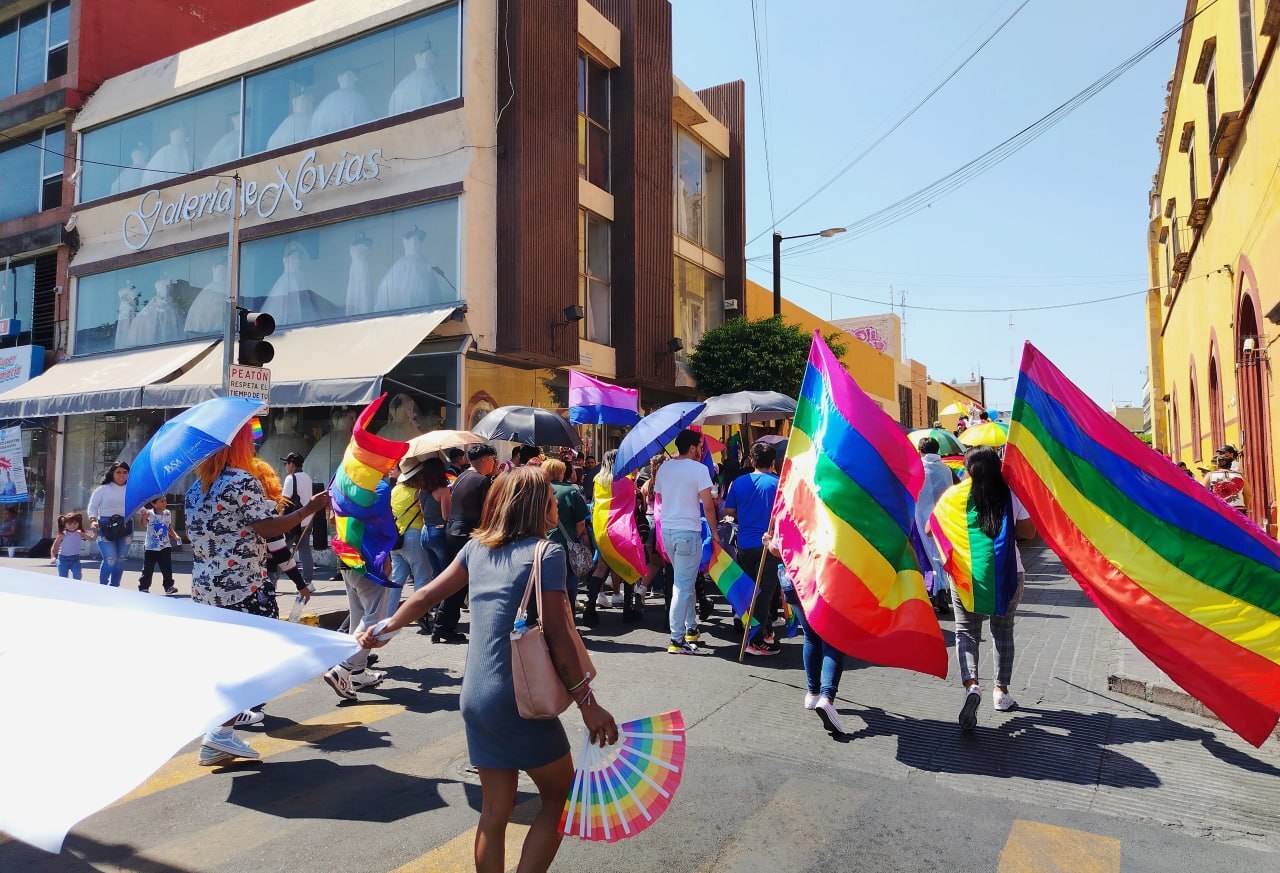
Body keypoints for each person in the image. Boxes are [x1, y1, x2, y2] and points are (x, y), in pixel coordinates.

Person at [358, 467, 617, 873]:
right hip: (518, 697)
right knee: (563, 795)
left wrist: (384, 628)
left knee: (495, 811)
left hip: (476, 697)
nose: (555, 504)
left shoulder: (476, 549)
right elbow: (558, 637)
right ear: (539, 506)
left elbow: (426, 593)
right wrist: (589, 704)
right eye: (550, 497)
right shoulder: (545, 553)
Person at [186, 422, 329, 764]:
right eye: (248, 442)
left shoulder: (196, 489)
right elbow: (269, 528)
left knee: (227, 660)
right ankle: (220, 732)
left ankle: (220, 731)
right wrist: (309, 509)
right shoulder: (240, 481)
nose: (253, 448)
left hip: (205, 587)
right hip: (241, 587)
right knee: (257, 659)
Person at [930, 445, 1036, 732]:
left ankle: (972, 685)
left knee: (966, 632)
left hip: (966, 579)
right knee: (1003, 631)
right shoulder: (1010, 493)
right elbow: (1029, 532)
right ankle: (1001, 692)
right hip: (1008, 574)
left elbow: (931, 528)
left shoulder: (954, 496)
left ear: (968, 467)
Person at [654, 429, 718, 654]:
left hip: (669, 531)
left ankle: (690, 628)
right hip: (688, 531)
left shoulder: (664, 468)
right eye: (700, 446)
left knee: (685, 581)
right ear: (692, 447)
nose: (702, 450)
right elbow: (708, 506)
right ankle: (677, 638)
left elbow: (660, 497)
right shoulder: (699, 469)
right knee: (682, 585)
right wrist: (715, 533)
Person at [434, 443, 498, 643]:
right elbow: (489, 511)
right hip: (468, 533)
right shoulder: (481, 480)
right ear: (486, 460)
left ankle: (442, 625)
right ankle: (445, 626)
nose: (494, 464)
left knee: (458, 581)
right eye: (493, 460)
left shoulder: (462, 476)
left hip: (454, 531)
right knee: (466, 581)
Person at [723, 441, 781, 656]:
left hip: (745, 544)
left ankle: (759, 630)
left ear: (751, 461)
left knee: (751, 590)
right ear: (772, 463)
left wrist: (747, 514)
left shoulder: (739, 482)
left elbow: (729, 509)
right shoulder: (777, 484)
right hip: (768, 544)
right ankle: (756, 638)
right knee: (765, 592)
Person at [915, 436, 958, 616]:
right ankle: (942, 591)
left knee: (925, 557)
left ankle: (932, 592)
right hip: (943, 517)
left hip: (920, 520)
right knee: (941, 555)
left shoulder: (916, 469)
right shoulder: (947, 470)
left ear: (921, 451)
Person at [543, 458, 589, 613]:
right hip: (564, 544)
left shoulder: (538, 489)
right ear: (561, 472)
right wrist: (572, 538)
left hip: (539, 544)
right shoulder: (571, 491)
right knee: (568, 585)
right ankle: (568, 624)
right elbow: (581, 523)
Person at [388, 458, 431, 611]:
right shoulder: (419, 493)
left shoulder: (395, 490)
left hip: (396, 537)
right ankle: (420, 613)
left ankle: (388, 615)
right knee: (422, 576)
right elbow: (425, 515)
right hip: (414, 535)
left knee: (396, 580)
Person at [87, 461, 134, 587]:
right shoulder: (102, 489)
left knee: (121, 560)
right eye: (118, 472)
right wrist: (92, 520)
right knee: (110, 559)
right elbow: (92, 507)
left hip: (126, 525)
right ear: (112, 473)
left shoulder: (131, 489)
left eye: (125, 472)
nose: (121, 475)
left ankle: (114, 587)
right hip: (106, 526)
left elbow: (138, 506)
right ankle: (102, 586)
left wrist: (145, 512)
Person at [281, 452, 315, 585]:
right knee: (305, 551)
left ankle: (272, 581)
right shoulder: (307, 477)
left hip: (292, 522)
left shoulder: (291, 478)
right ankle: (308, 581)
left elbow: (285, 501)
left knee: (281, 551)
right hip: (306, 521)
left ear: (292, 464)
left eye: (286, 463)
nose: (286, 466)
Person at [138, 495, 181, 594]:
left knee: (167, 568)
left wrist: (175, 535)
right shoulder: (149, 513)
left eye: (165, 501)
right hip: (151, 547)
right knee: (148, 569)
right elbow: (143, 524)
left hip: (165, 546)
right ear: (154, 503)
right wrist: (144, 517)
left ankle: (169, 587)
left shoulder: (167, 513)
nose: (165, 503)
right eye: (162, 501)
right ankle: (144, 587)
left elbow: (169, 527)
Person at [50, 512, 93, 580]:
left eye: (75, 523)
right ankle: (64, 590)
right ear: (65, 525)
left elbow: (92, 539)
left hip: (75, 559)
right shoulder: (62, 535)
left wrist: (96, 531)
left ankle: (75, 590)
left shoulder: (80, 533)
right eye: (69, 524)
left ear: (79, 523)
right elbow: (55, 546)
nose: (72, 526)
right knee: (63, 578)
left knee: (77, 576)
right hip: (63, 559)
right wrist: (53, 557)